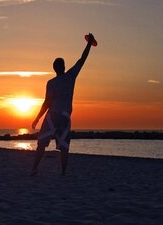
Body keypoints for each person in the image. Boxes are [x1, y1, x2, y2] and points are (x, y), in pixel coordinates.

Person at [31, 33, 95, 176]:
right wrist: (89, 44)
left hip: (52, 116)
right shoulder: (70, 76)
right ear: (64, 66)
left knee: (42, 142)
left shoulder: (51, 83)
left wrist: (37, 118)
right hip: (65, 117)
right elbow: (82, 60)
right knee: (64, 147)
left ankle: (35, 168)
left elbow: (46, 103)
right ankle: (63, 174)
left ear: (54, 68)